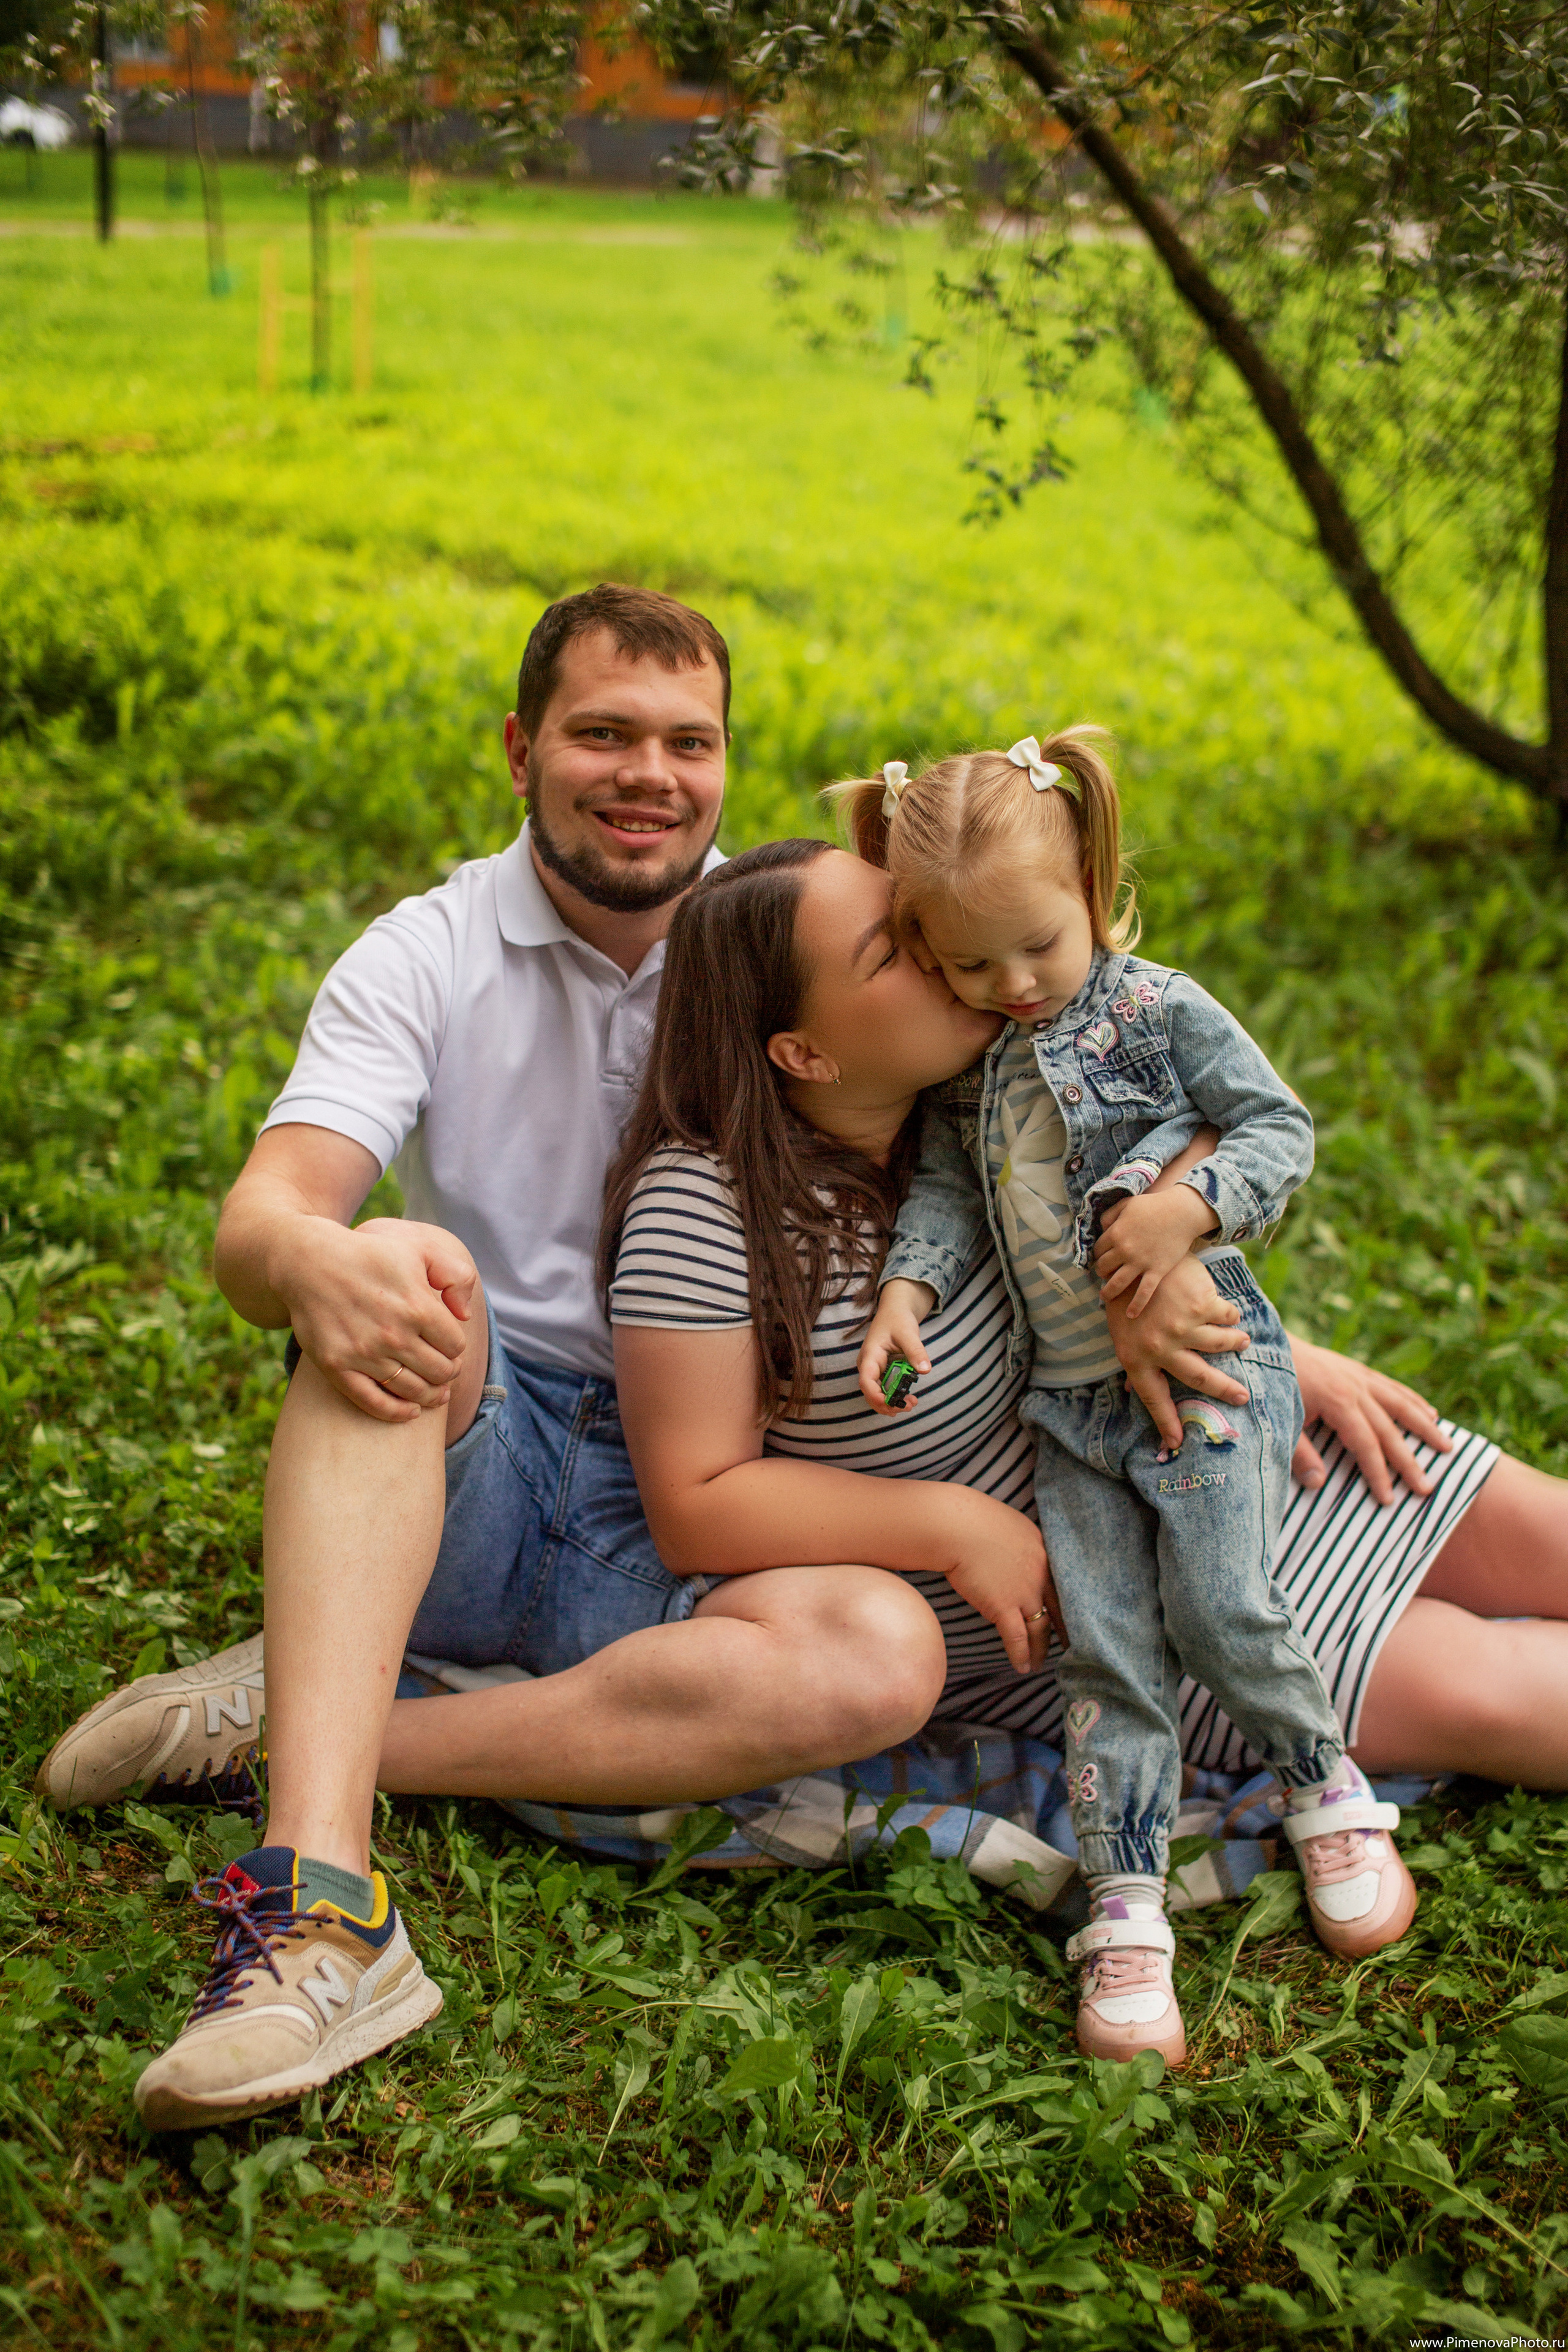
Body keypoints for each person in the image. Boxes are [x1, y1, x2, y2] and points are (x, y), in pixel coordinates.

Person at [35, 677, 1565, 2128]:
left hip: (1218, 1433)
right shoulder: (708, 1211)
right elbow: (696, 1502)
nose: (952, 959)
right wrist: (950, 1519)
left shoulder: (983, 1084)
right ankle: (336, 1743)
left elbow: (1165, 1160)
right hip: (1107, 1596)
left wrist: (1272, 1334)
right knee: (1505, 1695)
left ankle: (324, 1724)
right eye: (899, 951)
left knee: (1535, 1539)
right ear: (804, 1046)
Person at [843, 733, 1413, 2064]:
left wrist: (1182, 1206)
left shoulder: (1159, 1011)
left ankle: (1322, 1790)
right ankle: (1125, 1894)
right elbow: (939, 1192)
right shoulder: (973, 1061)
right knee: (1104, 1652)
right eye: (966, 965)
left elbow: (1277, 1126)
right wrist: (904, 1294)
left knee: (1218, 1603)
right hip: (1071, 1411)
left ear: (1093, 884)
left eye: (1036, 946)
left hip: (1210, 1368)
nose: (1011, 985)